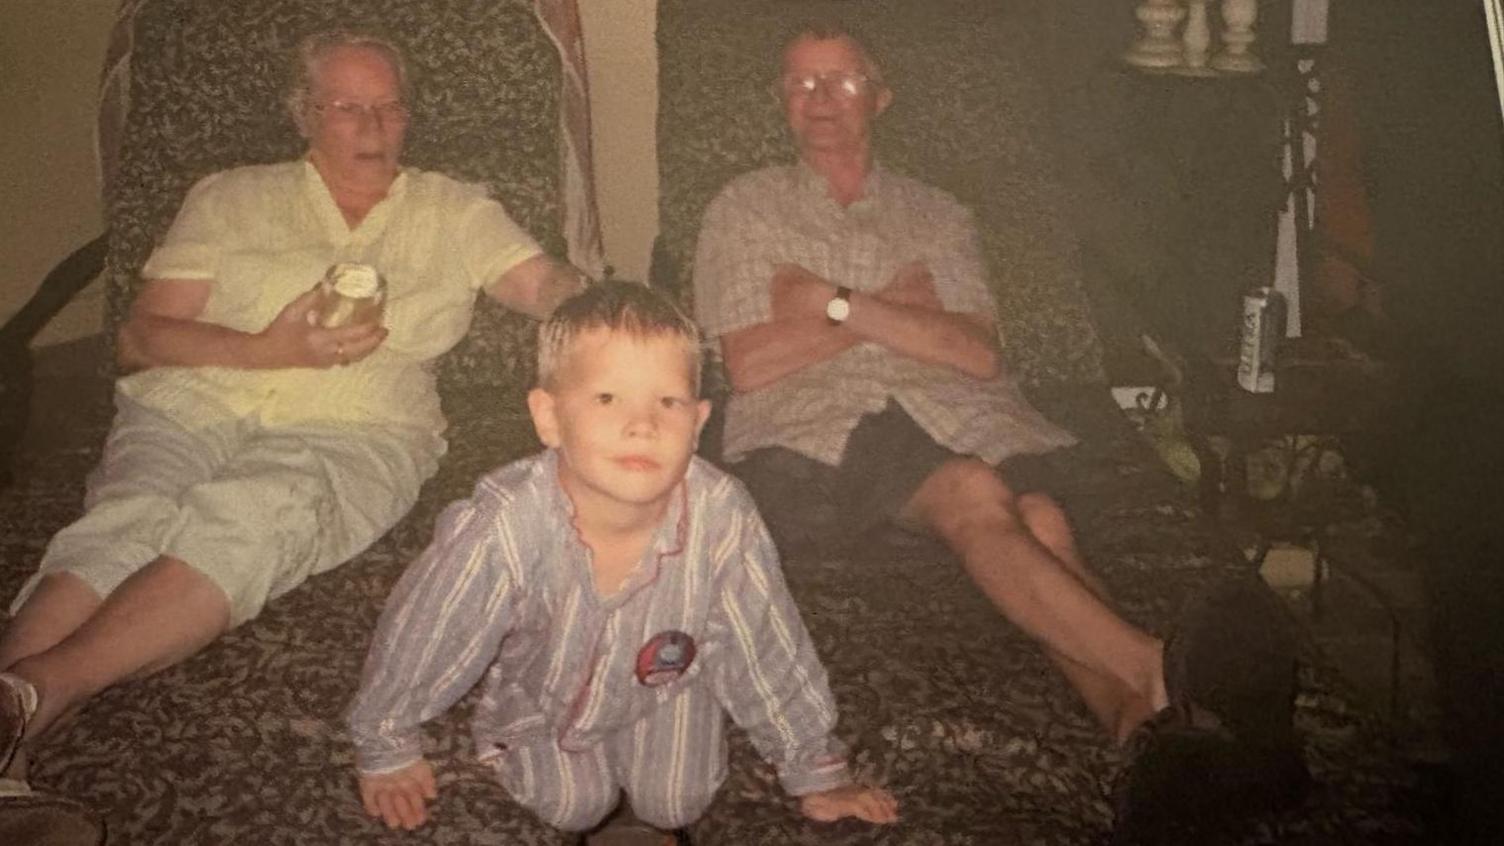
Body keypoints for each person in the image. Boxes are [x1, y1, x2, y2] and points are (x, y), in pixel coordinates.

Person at [691, 21, 1304, 834]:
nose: (821, 100)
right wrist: (901, 310)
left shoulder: (938, 214)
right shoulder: (744, 209)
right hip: (817, 435)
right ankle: (1168, 671)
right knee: (973, 490)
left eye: (840, 81)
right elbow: (753, 365)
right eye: (801, 84)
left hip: (968, 414)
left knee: (1043, 519)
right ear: (781, 103)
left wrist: (834, 304)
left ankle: (1143, 734)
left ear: (881, 96)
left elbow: (975, 353)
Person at [0, 29, 583, 810]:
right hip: (191, 406)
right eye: (347, 107)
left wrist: (605, 309)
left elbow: (543, 282)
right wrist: (267, 349)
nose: (373, 127)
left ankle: (32, 691)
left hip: (357, 431)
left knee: (260, 512)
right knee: (127, 519)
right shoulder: (229, 195)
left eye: (389, 107)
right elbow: (142, 340)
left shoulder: (452, 208)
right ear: (302, 113)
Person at [348, 282, 899, 844]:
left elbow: (766, 639)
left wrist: (813, 767)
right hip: (546, 690)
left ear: (699, 421)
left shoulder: (723, 514)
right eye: (608, 398)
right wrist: (386, 741)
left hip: (669, 681)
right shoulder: (504, 524)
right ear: (550, 417)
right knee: (571, 805)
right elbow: (430, 628)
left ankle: (669, 764)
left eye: (668, 401)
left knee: (678, 799)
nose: (643, 424)